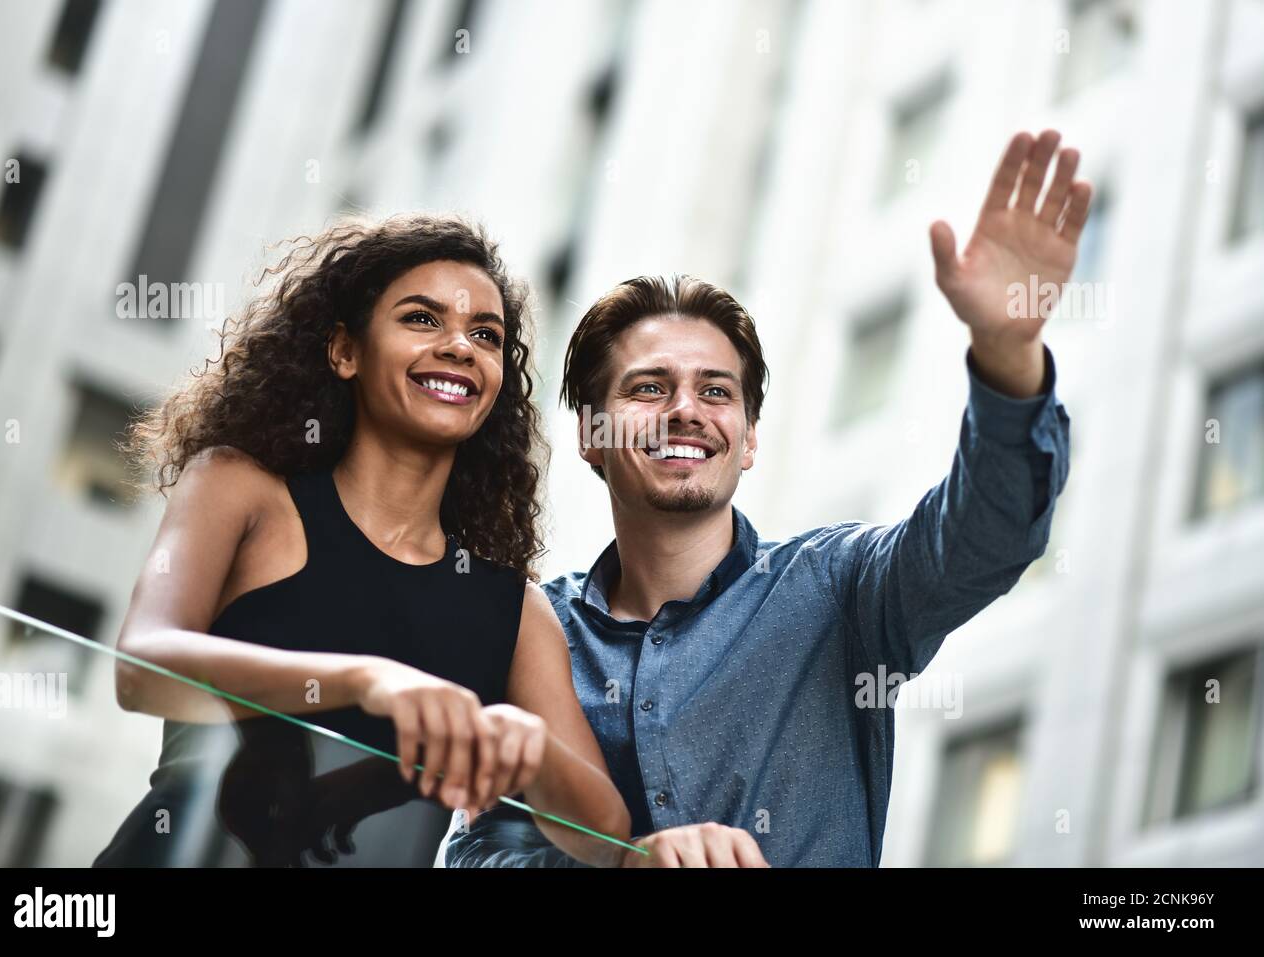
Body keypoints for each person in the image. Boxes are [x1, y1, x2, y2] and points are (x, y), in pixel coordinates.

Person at [445, 129, 1084, 867]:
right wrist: (634, 861)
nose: (686, 409)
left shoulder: (839, 588)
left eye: (716, 392)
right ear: (591, 433)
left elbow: (984, 537)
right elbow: (477, 855)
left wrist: (1007, 359)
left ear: (747, 441)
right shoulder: (534, 634)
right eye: (650, 387)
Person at [94, 214, 631, 866]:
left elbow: (605, 833)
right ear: (345, 350)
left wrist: (531, 745)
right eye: (421, 319)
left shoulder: (514, 611)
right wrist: (366, 680)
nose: (460, 346)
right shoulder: (241, 488)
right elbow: (142, 667)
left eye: (486, 335)